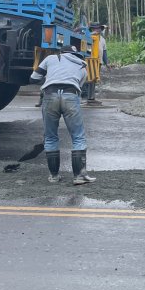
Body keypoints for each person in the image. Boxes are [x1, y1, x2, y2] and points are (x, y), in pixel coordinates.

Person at [31, 45, 95, 185]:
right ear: (76, 54)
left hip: (50, 95)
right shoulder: (83, 67)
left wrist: (49, 79)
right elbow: (79, 87)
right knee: (78, 136)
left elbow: (33, 78)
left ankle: (54, 176)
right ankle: (79, 176)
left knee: (51, 137)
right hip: (71, 96)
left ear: (62, 52)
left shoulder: (51, 58)